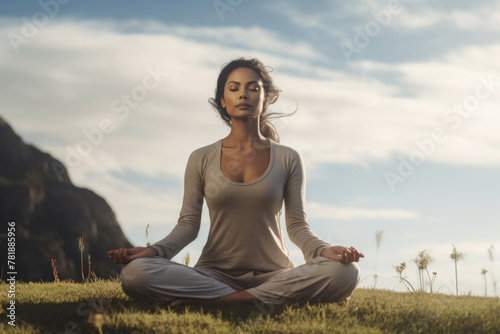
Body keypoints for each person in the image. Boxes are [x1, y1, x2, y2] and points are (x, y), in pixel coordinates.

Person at [107, 57, 364, 307]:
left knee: (347, 272)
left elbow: (297, 226)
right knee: (134, 273)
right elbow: (187, 226)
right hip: (213, 275)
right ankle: (250, 297)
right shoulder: (201, 158)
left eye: (253, 88)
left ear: (264, 101)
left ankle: (226, 300)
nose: (243, 94)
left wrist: (324, 250)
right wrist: (154, 252)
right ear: (223, 101)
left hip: (274, 275)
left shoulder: (288, 158)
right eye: (234, 88)